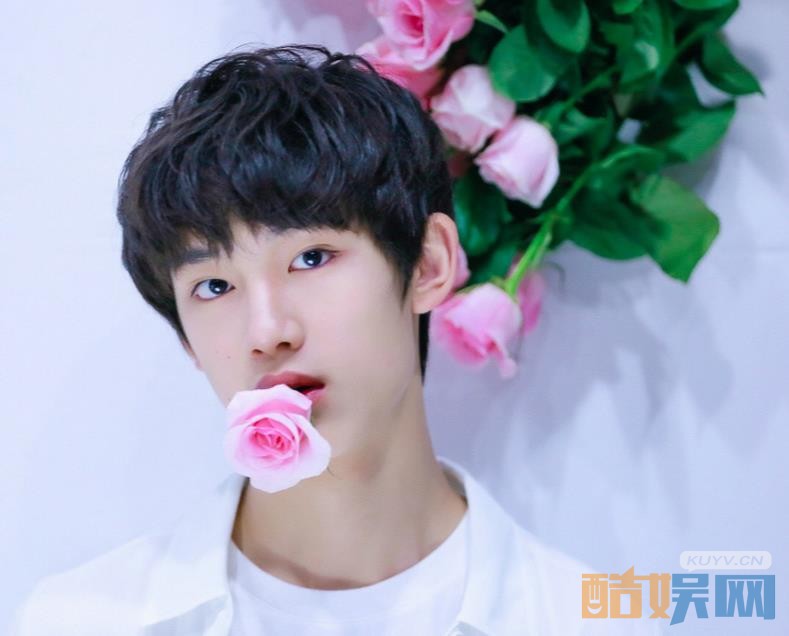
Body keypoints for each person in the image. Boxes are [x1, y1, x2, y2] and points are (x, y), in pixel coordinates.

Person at [10, 45, 660, 636]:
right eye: (213, 287)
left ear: (428, 264)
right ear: (186, 339)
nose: (267, 332)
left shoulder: (589, 621)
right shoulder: (80, 621)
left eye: (311, 258)